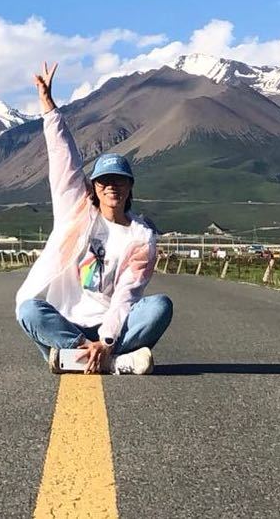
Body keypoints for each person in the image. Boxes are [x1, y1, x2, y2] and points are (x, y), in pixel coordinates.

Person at [15, 62, 172, 375]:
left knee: (160, 306)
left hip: (112, 326)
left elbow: (127, 293)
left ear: (130, 186)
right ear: (94, 187)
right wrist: (49, 108)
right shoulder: (75, 211)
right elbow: (64, 161)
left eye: (119, 181)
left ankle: (77, 359)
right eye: (104, 181)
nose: (112, 187)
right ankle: (114, 363)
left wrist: (107, 340)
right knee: (29, 310)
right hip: (65, 322)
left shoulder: (141, 237)